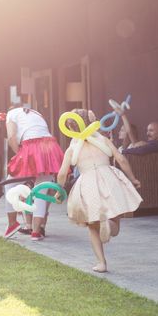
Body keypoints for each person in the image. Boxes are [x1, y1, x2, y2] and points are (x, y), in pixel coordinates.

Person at [57, 109, 141, 273]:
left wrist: (59, 190)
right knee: (115, 218)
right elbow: (121, 159)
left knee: (92, 225)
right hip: (108, 178)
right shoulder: (102, 139)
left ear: (71, 128)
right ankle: (109, 224)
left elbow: (62, 174)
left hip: (87, 183)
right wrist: (132, 178)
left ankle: (101, 263)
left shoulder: (72, 148)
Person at [4, 102, 64, 240]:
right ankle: (36, 232)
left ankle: (12, 223)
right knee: (41, 190)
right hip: (50, 146)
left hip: (32, 146)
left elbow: (12, 137)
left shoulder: (11, 113)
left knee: (10, 184)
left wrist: (19, 154)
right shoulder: (35, 113)